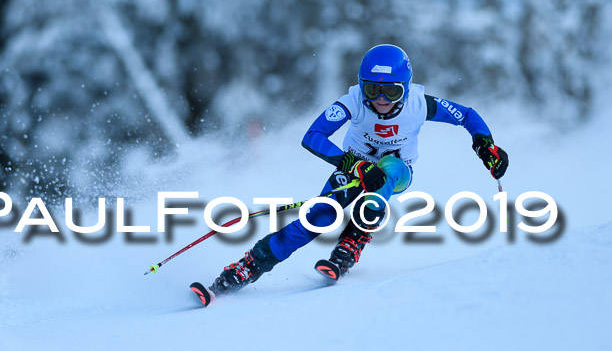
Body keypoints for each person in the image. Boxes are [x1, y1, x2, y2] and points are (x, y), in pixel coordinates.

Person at [205, 44, 508, 296]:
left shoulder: (419, 104)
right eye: (373, 89)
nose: (380, 100)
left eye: (391, 93)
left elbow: (467, 115)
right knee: (319, 217)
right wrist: (355, 165)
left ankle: (353, 241)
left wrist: (485, 145)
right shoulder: (353, 102)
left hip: (398, 170)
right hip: (354, 167)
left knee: (388, 169)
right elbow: (312, 137)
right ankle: (248, 267)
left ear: (405, 88)